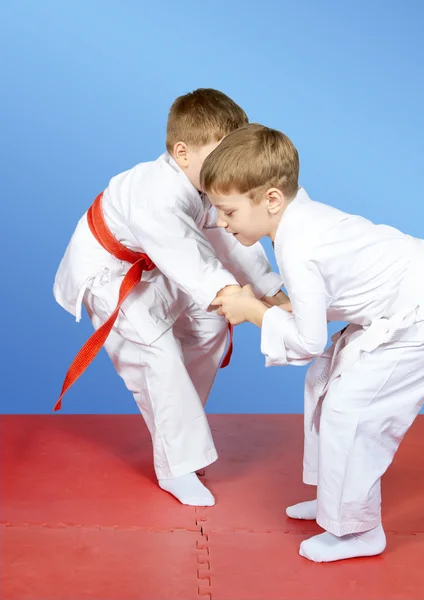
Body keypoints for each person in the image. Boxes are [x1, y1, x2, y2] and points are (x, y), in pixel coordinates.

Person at [202, 123, 424, 561]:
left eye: (229, 211)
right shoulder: (296, 220)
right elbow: (310, 302)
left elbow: (306, 341)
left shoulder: (299, 245)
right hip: (401, 306)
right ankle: (333, 503)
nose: (222, 222)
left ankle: (359, 531)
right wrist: (259, 303)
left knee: (351, 409)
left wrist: (255, 312)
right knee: (324, 382)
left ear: (271, 199)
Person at [53, 92, 286, 507]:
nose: (228, 165)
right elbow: (189, 255)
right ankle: (176, 466)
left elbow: (231, 235)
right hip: (108, 274)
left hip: (156, 268)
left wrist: (270, 290)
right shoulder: (157, 193)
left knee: (212, 324)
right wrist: (241, 300)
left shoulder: (202, 183)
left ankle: (178, 431)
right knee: (157, 352)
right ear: (182, 152)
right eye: (220, 153)